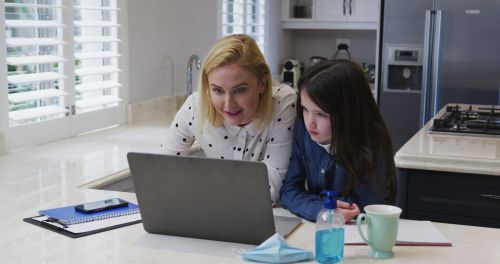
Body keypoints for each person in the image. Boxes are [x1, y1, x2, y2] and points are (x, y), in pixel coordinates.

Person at [162, 34, 297, 204]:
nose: (228, 104)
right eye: (217, 90)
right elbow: (162, 174)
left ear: (262, 83)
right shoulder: (195, 107)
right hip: (215, 212)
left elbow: (268, 192)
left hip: (273, 216)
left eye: (240, 90)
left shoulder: (283, 104)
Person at [280, 59, 396, 222]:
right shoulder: (303, 129)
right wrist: (321, 210)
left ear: (348, 114)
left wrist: (329, 209)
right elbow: (289, 191)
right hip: (322, 227)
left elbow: (368, 209)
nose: (310, 122)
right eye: (305, 109)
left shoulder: (372, 140)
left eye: (321, 114)